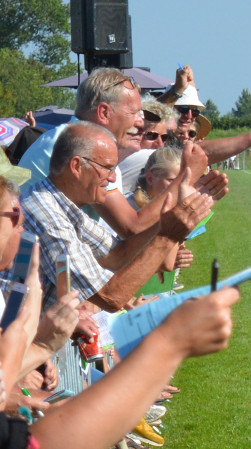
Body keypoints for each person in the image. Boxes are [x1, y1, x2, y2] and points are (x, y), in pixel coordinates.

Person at [24, 124, 212, 310]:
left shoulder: (64, 206)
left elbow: (119, 254)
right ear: (76, 166)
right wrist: (168, 236)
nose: (113, 178)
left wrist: (168, 224)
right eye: (107, 168)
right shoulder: (48, 216)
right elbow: (110, 297)